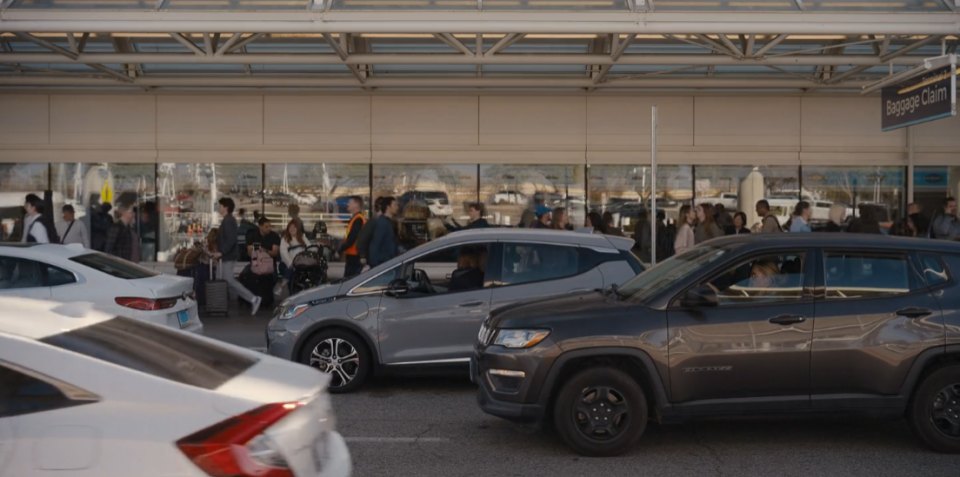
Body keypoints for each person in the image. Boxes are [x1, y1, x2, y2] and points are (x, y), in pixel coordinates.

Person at [213, 198, 261, 316]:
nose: (218, 208)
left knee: (228, 280)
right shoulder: (227, 220)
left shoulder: (229, 221)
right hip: (226, 255)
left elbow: (230, 240)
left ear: (225, 207)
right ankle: (221, 305)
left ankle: (253, 299)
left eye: (220, 206)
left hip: (228, 256)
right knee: (224, 280)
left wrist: (221, 252)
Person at [280, 219, 311, 293]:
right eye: (290, 227)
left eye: (294, 227)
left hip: (302, 262)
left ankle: (284, 282)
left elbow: (310, 248)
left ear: (298, 228)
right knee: (291, 270)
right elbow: (283, 252)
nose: (292, 229)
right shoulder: (285, 239)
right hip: (290, 263)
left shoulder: (303, 237)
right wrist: (290, 263)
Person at [338, 196, 366, 278]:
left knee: (349, 279)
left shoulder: (358, 219)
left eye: (350, 202)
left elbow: (352, 238)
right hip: (352, 254)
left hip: (355, 256)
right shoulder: (356, 218)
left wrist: (340, 249)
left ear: (356, 205)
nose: (347, 204)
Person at [369, 196, 400, 267]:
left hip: (388, 262)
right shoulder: (383, 223)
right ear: (388, 207)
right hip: (383, 263)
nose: (397, 207)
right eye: (395, 205)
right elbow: (376, 243)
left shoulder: (389, 223)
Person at [357, 197, 383, 267]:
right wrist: (362, 255)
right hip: (375, 259)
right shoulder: (374, 222)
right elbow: (363, 238)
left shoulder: (380, 221)